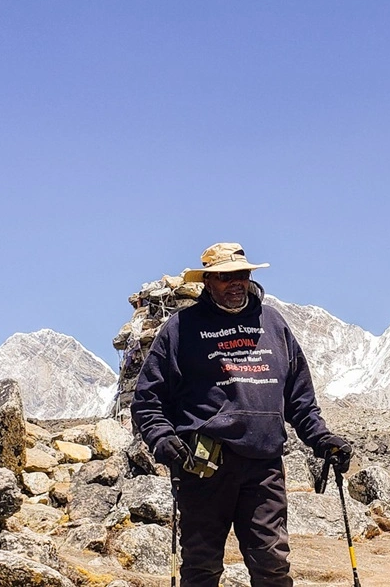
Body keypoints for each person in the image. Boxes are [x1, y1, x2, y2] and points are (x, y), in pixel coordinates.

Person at [132, 242, 353, 587]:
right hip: (203, 466)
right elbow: (147, 399)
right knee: (202, 567)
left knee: (272, 565)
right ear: (207, 281)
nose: (236, 283)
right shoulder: (181, 328)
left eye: (242, 275)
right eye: (225, 276)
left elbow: (300, 400)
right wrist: (162, 438)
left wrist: (323, 440)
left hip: (264, 466)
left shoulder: (273, 323)